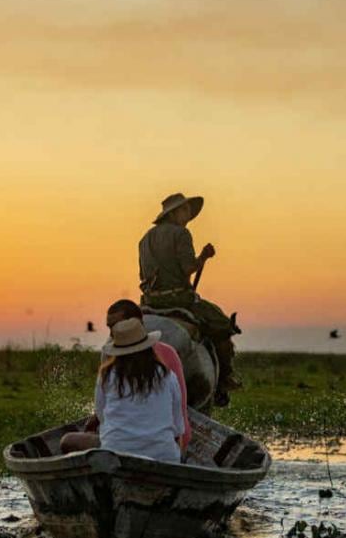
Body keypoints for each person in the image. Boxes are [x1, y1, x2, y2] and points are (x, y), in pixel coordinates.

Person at [138, 192, 240, 406]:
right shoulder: (181, 234)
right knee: (222, 323)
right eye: (185, 210)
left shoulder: (145, 239)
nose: (189, 214)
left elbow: (142, 275)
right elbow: (188, 268)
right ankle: (224, 380)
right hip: (178, 300)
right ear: (173, 213)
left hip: (149, 302)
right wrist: (204, 256)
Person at [60, 300, 192, 453]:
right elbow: (178, 427)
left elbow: (104, 418)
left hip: (116, 451)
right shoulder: (168, 376)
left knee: (67, 440)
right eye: (110, 328)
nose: (112, 333)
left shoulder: (107, 373)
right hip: (164, 455)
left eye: (115, 327)